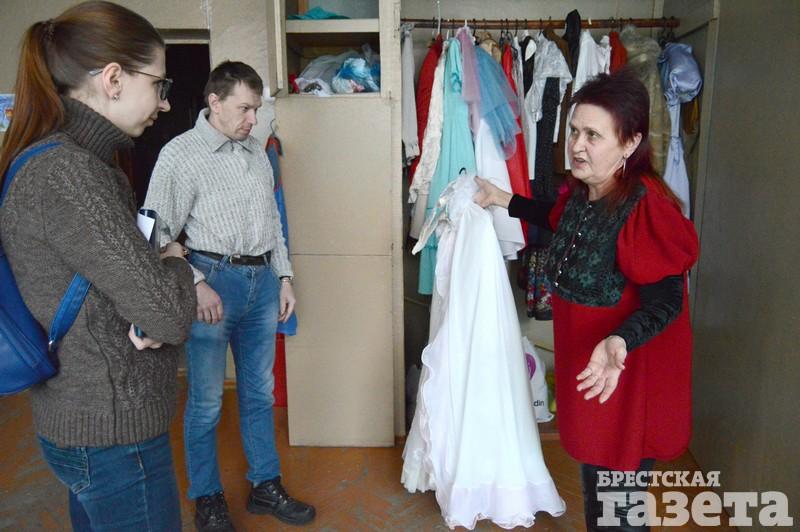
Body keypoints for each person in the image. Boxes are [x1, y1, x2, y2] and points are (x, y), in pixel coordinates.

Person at [474, 69, 699, 531]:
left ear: (630, 143)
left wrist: (620, 340)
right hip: (592, 372)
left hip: (625, 378)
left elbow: (667, 300)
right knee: (597, 483)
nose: (577, 145)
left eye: (593, 135)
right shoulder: (585, 193)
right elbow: (558, 220)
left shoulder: (646, 208)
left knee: (618, 504)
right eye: (574, 131)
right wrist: (504, 199)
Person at [0, 2, 197, 530]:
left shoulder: (66, 163)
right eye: (159, 83)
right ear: (113, 79)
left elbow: (103, 282)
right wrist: (176, 262)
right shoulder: (69, 175)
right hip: (112, 433)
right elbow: (169, 315)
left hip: (88, 419)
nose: (164, 101)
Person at [144, 61, 314, 531]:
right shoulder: (180, 154)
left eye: (256, 109)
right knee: (206, 403)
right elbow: (155, 231)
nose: (252, 120)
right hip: (212, 286)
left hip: (263, 284)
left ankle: (265, 486)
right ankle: (208, 498)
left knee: (259, 393)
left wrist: (284, 277)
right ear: (214, 102)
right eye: (244, 109)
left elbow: (272, 219)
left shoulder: (256, 150)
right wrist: (194, 282)